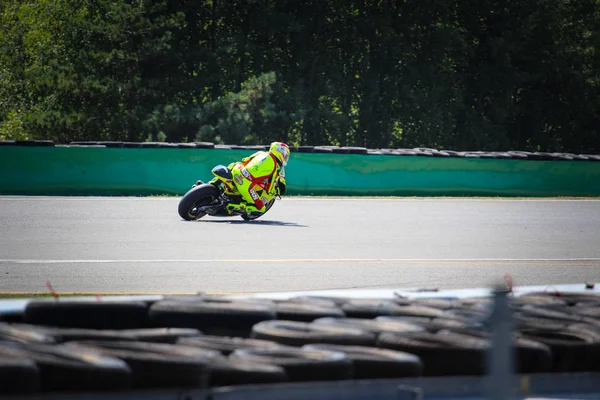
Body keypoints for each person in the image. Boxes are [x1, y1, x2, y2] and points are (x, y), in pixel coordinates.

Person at [225, 141, 290, 215]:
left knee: (235, 164)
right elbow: (269, 189)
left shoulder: (260, 153)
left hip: (237, 170)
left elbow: (245, 160)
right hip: (245, 185)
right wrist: (276, 191)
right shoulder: (275, 167)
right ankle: (231, 206)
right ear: (279, 152)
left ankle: (214, 183)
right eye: (285, 155)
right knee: (261, 208)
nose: (285, 158)